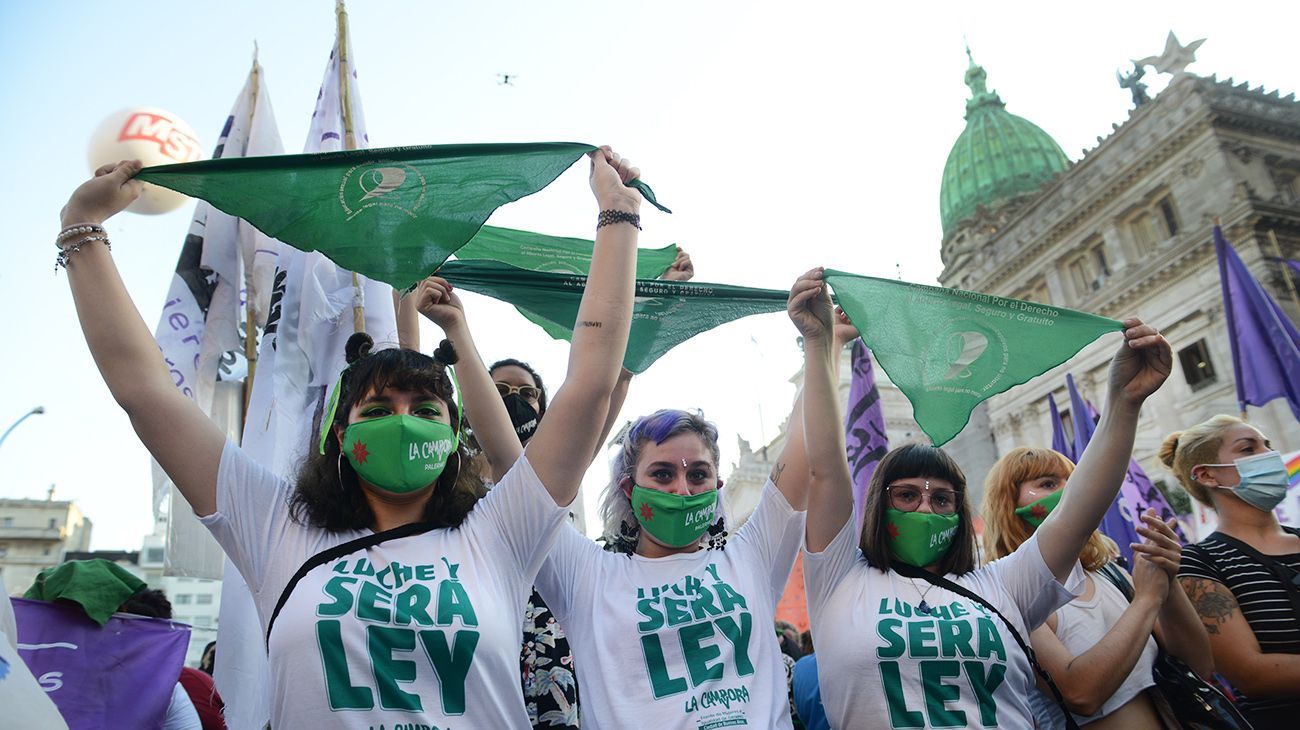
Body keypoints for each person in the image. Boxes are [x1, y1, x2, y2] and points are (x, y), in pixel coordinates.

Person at [56, 146, 647, 728]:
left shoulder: (501, 531)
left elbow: (590, 383)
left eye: (425, 408)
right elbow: (146, 391)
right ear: (339, 433)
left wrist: (618, 217)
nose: (404, 419)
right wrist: (81, 230)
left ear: (453, 434)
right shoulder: (275, 526)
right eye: (378, 408)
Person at [795, 266, 1172, 730]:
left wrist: (1123, 403)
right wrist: (821, 344)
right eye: (907, 495)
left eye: (942, 500)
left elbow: (1079, 510)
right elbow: (825, 470)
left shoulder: (1003, 585)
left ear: (960, 512)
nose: (924, 509)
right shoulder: (838, 581)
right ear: (878, 507)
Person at [982, 447, 1212, 728]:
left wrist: (1167, 581)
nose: (1071, 491)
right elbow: (1081, 695)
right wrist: (1147, 599)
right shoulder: (1011, 595)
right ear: (1008, 505)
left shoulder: (1108, 573)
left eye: (1074, 480)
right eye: (1048, 484)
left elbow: (1198, 665)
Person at [1160, 415, 1300, 729]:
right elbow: (1252, 674)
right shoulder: (1199, 562)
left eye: (1267, 444)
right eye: (1249, 449)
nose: (1269, 455)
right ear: (1208, 475)